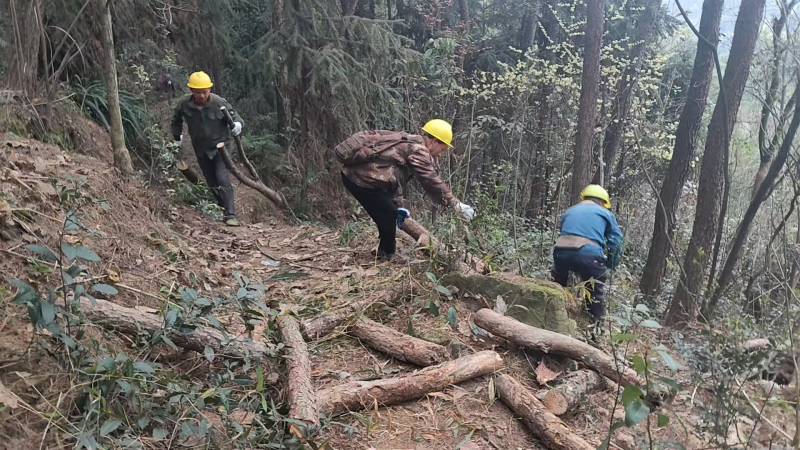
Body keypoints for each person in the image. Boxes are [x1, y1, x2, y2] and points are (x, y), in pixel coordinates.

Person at [337, 119, 476, 261]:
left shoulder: (410, 142)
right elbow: (430, 179)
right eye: (442, 149)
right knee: (388, 213)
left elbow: (394, 178)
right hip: (360, 179)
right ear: (434, 141)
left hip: (359, 177)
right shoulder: (418, 149)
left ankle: (384, 250)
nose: (440, 154)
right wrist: (455, 204)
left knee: (389, 211)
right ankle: (388, 254)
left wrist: (398, 204)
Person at [171, 71, 243, 226]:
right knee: (211, 181)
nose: (202, 95)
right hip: (201, 148)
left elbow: (235, 116)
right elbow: (176, 120)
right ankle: (221, 207)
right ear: (192, 90)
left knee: (222, 177)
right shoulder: (184, 103)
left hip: (221, 148)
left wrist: (237, 125)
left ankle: (230, 214)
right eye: (198, 92)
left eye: (205, 92)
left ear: (209, 89)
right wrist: (177, 137)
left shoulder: (218, 102)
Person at [551, 184, 623, 327]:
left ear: (584, 198)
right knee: (595, 293)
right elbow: (616, 241)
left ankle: (552, 317)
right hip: (589, 255)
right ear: (602, 201)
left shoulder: (569, 211)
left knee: (557, 287)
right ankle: (596, 329)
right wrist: (611, 263)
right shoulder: (606, 213)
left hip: (561, 252)